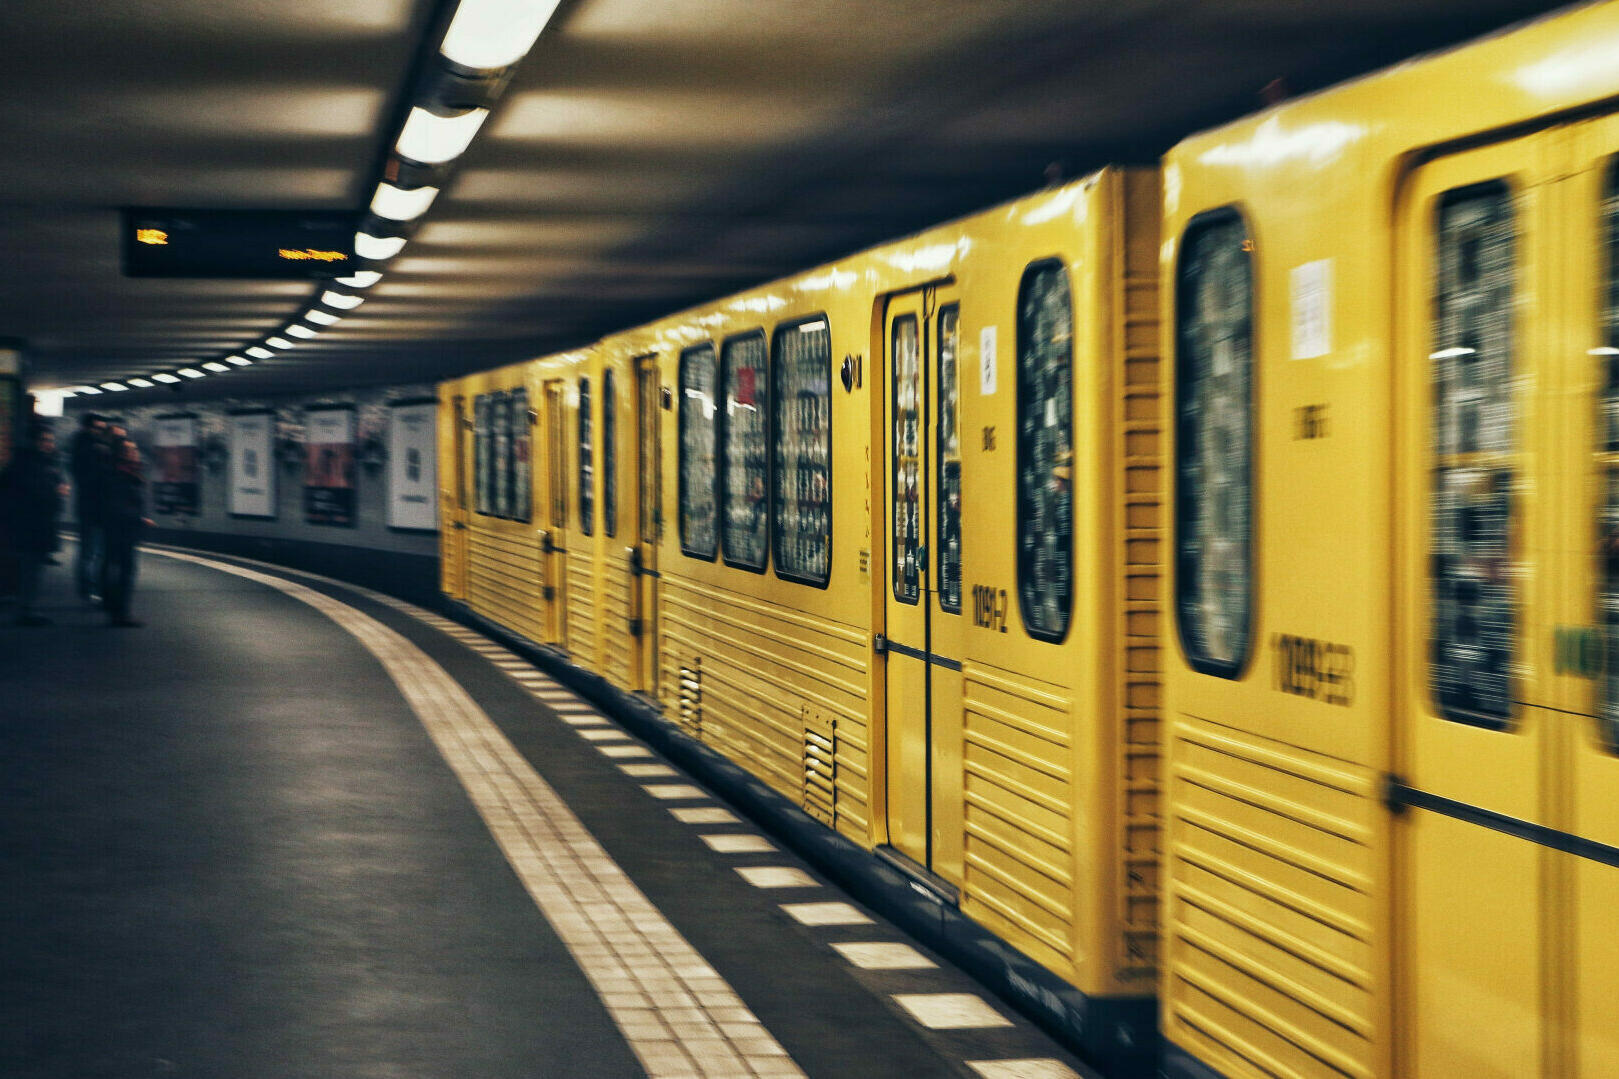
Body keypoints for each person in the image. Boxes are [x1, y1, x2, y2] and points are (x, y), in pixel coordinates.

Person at [0, 424, 66, 626]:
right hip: (30, 527)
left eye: (50, 440)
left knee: (28, 568)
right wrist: (57, 492)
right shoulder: (31, 465)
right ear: (34, 442)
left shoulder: (34, 462)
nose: (49, 444)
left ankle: (24, 607)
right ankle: (24, 611)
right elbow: (35, 494)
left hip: (31, 526)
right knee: (30, 570)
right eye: (44, 440)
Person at [101, 437, 153, 628]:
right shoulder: (118, 475)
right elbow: (116, 505)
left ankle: (117, 610)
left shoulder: (132, 473)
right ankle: (120, 613)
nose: (135, 452)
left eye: (135, 449)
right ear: (123, 454)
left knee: (122, 570)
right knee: (125, 571)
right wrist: (138, 517)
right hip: (120, 530)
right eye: (131, 450)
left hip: (126, 530)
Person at [68, 411, 108, 600]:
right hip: (90, 508)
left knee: (94, 550)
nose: (99, 432)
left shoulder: (93, 447)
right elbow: (89, 478)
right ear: (86, 427)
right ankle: (88, 588)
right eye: (96, 428)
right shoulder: (84, 449)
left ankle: (91, 587)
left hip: (95, 508)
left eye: (102, 429)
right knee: (90, 550)